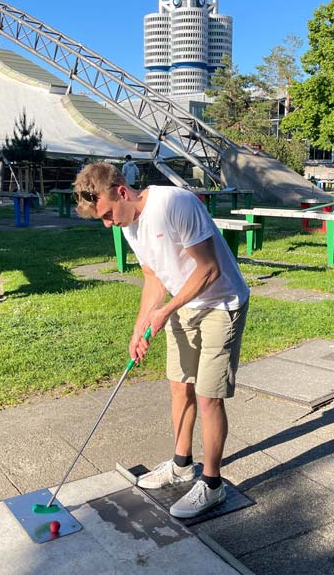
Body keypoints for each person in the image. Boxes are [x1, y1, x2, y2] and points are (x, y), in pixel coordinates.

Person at [73, 162, 249, 519]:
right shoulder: (128, 226)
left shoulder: (174, 204)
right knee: (179, 387)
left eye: (107, 214)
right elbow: (153, 277)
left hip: (220, 303)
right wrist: (140, 327)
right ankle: (182, 464)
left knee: (208, 396)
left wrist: (165, 311)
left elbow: (209, 269)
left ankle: (213, 485)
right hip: (182, 305)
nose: (108, 223)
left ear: (122, 192)